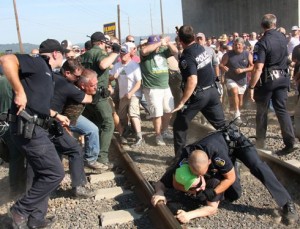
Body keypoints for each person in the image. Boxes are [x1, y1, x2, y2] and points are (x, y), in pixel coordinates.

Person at [153, 123, 299, 225]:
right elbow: (162, 181)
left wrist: (212, 193)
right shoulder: (184, 159)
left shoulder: (217, 156)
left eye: (202, 174)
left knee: (257, 166)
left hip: (235, 143)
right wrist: (159, 192)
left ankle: (286, 202)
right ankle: (228, 167)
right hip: (215, 154)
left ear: (209, 162)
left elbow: (230, 178)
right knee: (233, 195)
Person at [0, 44, 65, 228]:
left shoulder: (46, 71)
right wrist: (19, 91)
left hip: (37, 128)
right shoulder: (38, 62)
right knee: (55, 173)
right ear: (55, 53)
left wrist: (56, 115)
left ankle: (36, 219)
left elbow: (38, 102)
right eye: (63, 55)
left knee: (40, 173)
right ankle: (19, 210)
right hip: (30, 129)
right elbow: (6, 60)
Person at [38, 39, 96, 197]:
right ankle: (79, 187)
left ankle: (52, 187)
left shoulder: (53, 77)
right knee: (75, 149)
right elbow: (87, 99)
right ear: (67, 73)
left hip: (42, 121)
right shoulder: (67, 86)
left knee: (56, 152)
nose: (78, 79)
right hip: (52, 123)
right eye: (76, 76)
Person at [172, 25, 226, 157]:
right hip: (211, 92)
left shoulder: (186, 56)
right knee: (223, 127)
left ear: (179, 39)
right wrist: (182, 34)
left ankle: (179, 159)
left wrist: (182, 102)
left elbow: (192, 80)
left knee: (179, 125)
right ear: (194, 36)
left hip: (199, 95)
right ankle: (238, 149)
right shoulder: (199, 47)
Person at [249, 14, 297, 154]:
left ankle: (260, 142)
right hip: (283, 77)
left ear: (262, 25)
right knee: (281, 110)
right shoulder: (283, 38)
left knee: (262, 111)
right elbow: (286, 58)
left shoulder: (262, 43)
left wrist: (251, 87)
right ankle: (290, 142)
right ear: (274, 24)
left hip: (268, 80)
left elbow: (258, 68)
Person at [81, 31, 121, 165]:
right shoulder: (98, 52)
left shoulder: (84, 55)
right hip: (99, 96)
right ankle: (102, 158)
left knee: (94, 125)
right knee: (108, 124)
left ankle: (91, 154)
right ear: (101, 42)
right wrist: (115, 52)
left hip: (87, 96)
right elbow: (103, 65)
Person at [151, 150, 223, 223]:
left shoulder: (213, 180)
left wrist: (189, 215)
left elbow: (212, 208)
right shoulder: (181, 171)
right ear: (188, 165)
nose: (197, 176)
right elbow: (160, 183)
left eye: (199, 175)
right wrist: (160, 192)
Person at [60, 59, 104, 170]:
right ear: (83, 86)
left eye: (96, 84)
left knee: (92, 130)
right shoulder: (73, 90)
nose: (95, 87)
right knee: (69, 146)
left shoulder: (82, 86)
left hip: (74, 118)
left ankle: (90, 160)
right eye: (93, 85)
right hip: (62, 119)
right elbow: (89, 99)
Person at [140, 35, 178, 146]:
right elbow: (144, 50)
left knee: (168, 109)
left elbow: (175, 51)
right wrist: (159, 43)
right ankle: (158, 135)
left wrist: (168, 42)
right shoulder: (145, 53)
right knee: (157, 113)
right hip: (152, 87)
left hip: (165, 86)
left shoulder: (163, 51)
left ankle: (164, 131)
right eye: (154, 44)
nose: (157, 46)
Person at [110, 42, 143, 147]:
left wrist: (131, 93)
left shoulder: (134, 65)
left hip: (133, 94)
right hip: (123, 95)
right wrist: (112, 77)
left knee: (133, 114)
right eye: (121, 54)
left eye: (124, 54)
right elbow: (109, 78)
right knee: (122, 115)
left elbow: (139, 82)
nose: (122, 56)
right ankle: (127, 130)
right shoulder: (117, 66)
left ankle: (139, 136)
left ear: (129, 54)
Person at [220, 37, 254, 120]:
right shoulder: (228, 54)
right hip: (230, 78)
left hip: (242, 79)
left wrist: (243, 70)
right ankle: (237, 114)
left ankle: (237, 110)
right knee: (234, 91)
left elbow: (253, 67)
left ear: (242, 45)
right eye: (235, 45)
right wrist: (223, 67)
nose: (236, 46)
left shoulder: (247, 54)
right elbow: (220, 65)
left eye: (238, 44)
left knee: (241, 102)